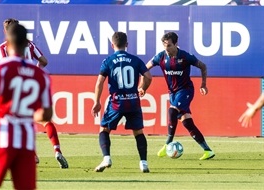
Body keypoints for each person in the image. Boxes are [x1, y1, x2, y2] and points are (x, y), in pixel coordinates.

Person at [0, 23, 52, 190]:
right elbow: (46, 115)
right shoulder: (41, 75)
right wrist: (27, 115)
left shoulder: (0, 67)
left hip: (3, 136)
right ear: (27, 44)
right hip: (27, 142)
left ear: (7, 43)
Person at [0, 18, 68, 169]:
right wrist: (36, 70)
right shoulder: (29, 45)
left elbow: (7, 67)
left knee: (19, 123)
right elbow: (44, 60)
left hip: (16, 89)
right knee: (45, 121)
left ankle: (32, 155)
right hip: (32, 87)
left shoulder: (3, 47)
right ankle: (57, 149)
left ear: (5, 32)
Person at [144, 31, 215, 160]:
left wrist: (203, 84)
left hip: (186, 91)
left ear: (176, 44)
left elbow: (203, 66)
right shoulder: (160, 57)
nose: (166, 48)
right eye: (164, 45)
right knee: (187, 122)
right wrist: (142, 86)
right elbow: (144, 69)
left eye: (169, 45)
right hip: (173, 93)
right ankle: (207, 150)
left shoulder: (185, 57)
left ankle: (167, 144)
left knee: (172, 111)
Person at [91, 31, 152, 173]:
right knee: (138, 132)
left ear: (112, 45)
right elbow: (148, 76)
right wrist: (143, 88)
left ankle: (106, 158)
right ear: (127, 45)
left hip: (116, 103)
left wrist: (97, 101)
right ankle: (143, 163)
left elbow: (100, 81)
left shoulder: (108, 61)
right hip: (133, 102)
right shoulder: (135, 60)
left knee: (104, 129)